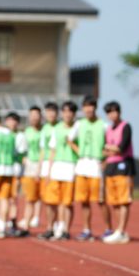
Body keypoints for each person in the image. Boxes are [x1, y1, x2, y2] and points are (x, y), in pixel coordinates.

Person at [69, 96, 107, 241]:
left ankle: (108, 228)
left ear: (95, 108)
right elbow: (69, 139)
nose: (88, 109)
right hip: (82, 164)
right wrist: (79, 151)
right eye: (85, 106)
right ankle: (86, 229)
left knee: (100, 200)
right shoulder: (79, 124)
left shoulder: (103, 125)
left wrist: (105, 158)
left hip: (96, 165)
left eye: (91, 106)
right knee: (83, 201)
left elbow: (109, 143)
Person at [44, 101, 78, 241]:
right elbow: (52, 150)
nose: (67, 114)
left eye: (70, 111)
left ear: (74, 114)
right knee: (51, 201)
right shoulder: (56, 128)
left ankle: (65, 229)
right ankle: (50, 227)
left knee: (67, 202)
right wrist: (49, 171)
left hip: (71, 167)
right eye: (65, 111)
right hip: (57, 167)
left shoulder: (77, 128)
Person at [102, 101, 134, 245]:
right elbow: (104, 149)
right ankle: (118, 230)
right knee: (114, 201)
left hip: (124, 165)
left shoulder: (125, 126)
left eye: (114, 111)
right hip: (111, 166)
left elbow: (122, 147)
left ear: (119, 112)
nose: (112, 115)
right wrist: (110, 149)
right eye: (109, 112)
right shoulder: (108, 129)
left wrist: (110, 148)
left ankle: (121, 230)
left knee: (124, 201)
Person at [18, 106, 44, 233]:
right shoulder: (26, 132)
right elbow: (22, 151)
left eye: (36, 115)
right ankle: (27, 222)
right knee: (30, 195)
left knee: (43, 195)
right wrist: (24, 160)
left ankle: (37, 217)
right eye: (32, 115)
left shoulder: (45, 131)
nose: (34, 117)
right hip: (30, 165)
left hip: (43, 165)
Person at [36, 102, 60, 239]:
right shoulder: (44, 128)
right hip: (45, 167)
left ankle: (58, 226)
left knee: (57, 200)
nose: (50, 114)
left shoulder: (60, 127)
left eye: (53, 111)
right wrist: (39, 169)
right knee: (47, 200)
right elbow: (42, 150)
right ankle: (50, 226)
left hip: (58, 166)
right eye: (48, 111)